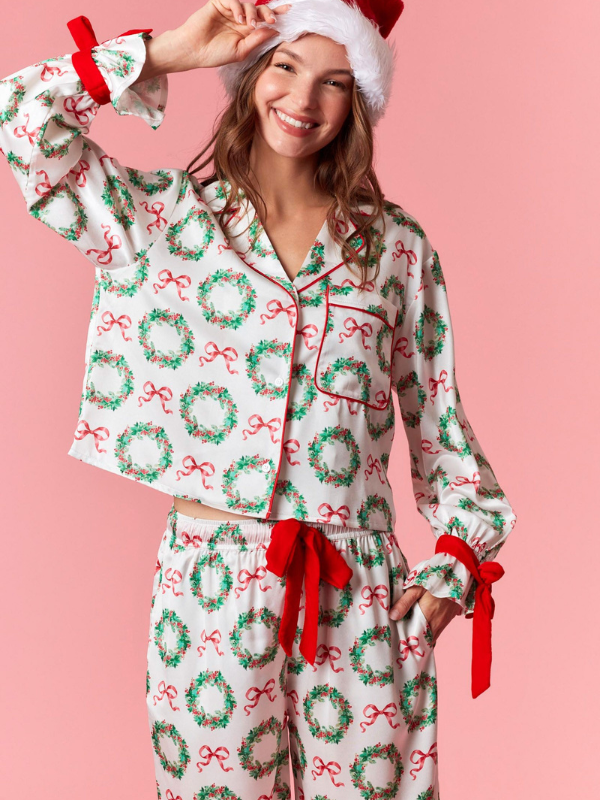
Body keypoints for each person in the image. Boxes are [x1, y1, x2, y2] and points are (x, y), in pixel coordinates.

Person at [0, 1, 517, 797]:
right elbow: (24, 121)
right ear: (248, 74)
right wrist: (168, 51)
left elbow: (439, 417)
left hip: (358, 591)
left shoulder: (396, 249)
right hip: (210, 588)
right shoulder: (161, 220)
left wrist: (456, 563)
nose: (303, 100)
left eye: (334, 81)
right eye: (284, 65)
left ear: (359, 100)